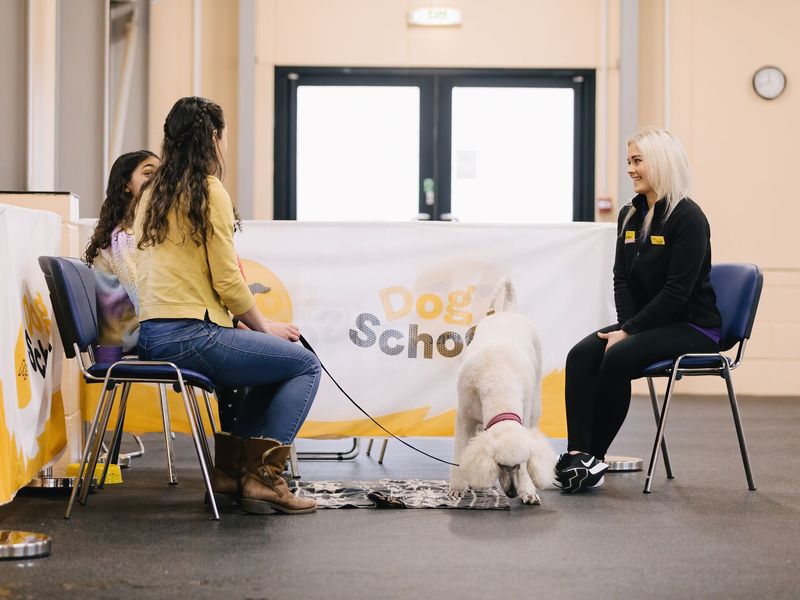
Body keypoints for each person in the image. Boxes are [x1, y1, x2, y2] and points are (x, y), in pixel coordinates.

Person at [133, 96, 320, 514]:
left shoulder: (152, 192)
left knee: (272, 368)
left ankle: (231, 474)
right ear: (214, 138)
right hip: (189, 336)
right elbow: (227, 280)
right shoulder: (207, 189)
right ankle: (265, 477)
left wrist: (247, 324)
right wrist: (264, 325)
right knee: (303, 363)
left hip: (154, 334)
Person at [555, 128, 722, 493]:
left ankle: (594, 460)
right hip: (646, 324)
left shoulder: (688, 217)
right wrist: (629, 325)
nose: (630, 169)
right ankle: (577, 453)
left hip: (694, 327)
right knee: (581, 355)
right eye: (629, 161)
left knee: (618, 356)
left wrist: (630, 332)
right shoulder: (630, 215)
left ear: (659, 163)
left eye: (637, 161)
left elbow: (677, 292)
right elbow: (621, 279)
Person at [84, 150, 159, 361]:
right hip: (131, 340)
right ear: (126, 185)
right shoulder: (123, 237)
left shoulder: (133, 232)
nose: (158, 181)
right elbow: (141, 298)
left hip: (135, 336)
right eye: (149, 174)